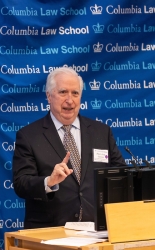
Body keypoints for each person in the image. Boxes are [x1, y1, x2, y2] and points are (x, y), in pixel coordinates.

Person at [13, 67, 126, 229]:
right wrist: (49, 182)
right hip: (51, 231)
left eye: (75, 93)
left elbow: (120, 173)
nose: (70, 100)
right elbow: (21, 183)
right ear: (49, 96)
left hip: (97, 230)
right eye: (63, 92)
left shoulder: (101, 132)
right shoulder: (29, 136)